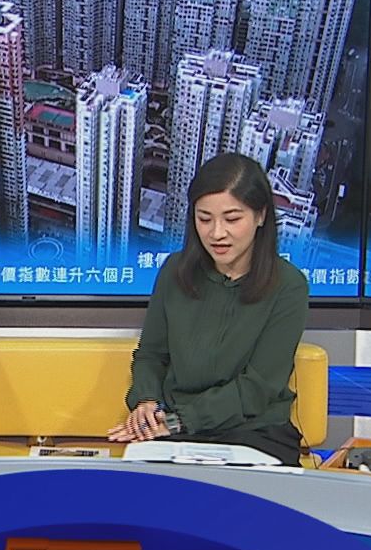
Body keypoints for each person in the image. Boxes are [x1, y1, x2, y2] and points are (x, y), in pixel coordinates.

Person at [110, 152, 309, 466]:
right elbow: (151, 354)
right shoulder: (175, 271)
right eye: (204, 219)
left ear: (260, 216)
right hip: (175, 427)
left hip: (253, 431)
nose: (216, 233)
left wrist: (178, 421)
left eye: (232, 219)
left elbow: (257, 389)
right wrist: (146, 402)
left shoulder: (288, 286)